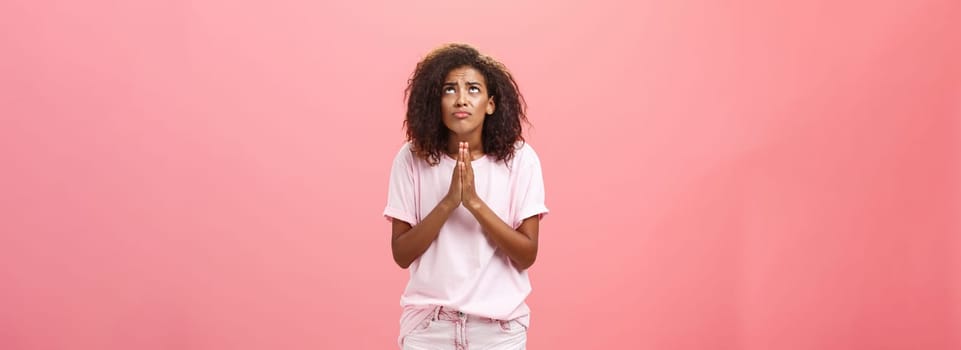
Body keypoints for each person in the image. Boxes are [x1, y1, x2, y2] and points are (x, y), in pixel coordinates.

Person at [383, 43, 549, 349]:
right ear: (436, 101)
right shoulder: (410, 159)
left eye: (473, 89)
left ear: (490, 103)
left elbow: (527, 255)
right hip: (429, 328)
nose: (461, 99)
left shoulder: (521, 160)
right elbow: (401, 254)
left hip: (499, 331)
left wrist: (473, 202)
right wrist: (449, 202)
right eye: (449, 89)